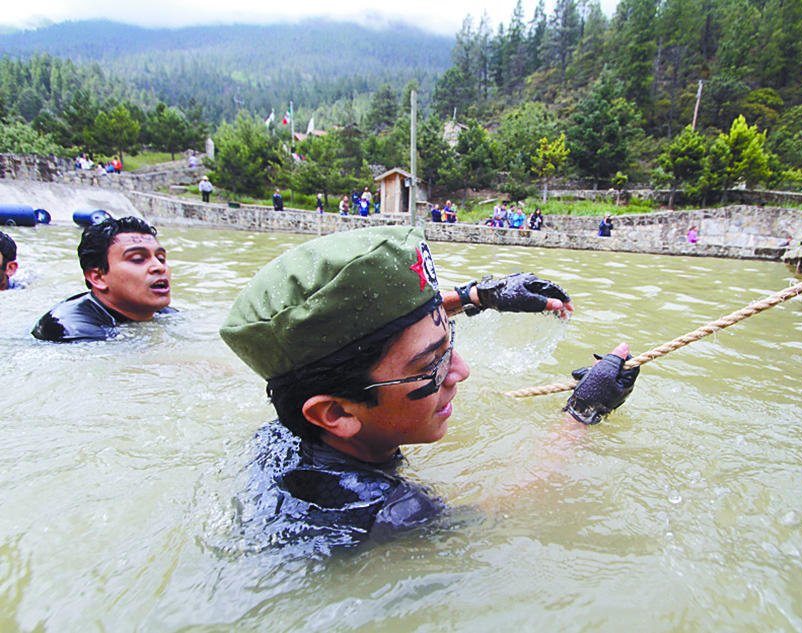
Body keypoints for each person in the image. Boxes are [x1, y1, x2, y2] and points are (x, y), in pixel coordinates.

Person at [220, 226, 637, 553]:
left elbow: (383, 337)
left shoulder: (285, 432)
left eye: (448, 346)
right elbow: (508, 514)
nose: (461, 371)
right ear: (337, 414)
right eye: (431, 364)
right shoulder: (395, 514)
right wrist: (581, 414)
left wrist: (478, 295)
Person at [32, 217, 175, 342]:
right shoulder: (72, 329)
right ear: (98, 278)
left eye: (161, 258)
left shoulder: (165, 314)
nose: (159, 267)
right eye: (138, 259)